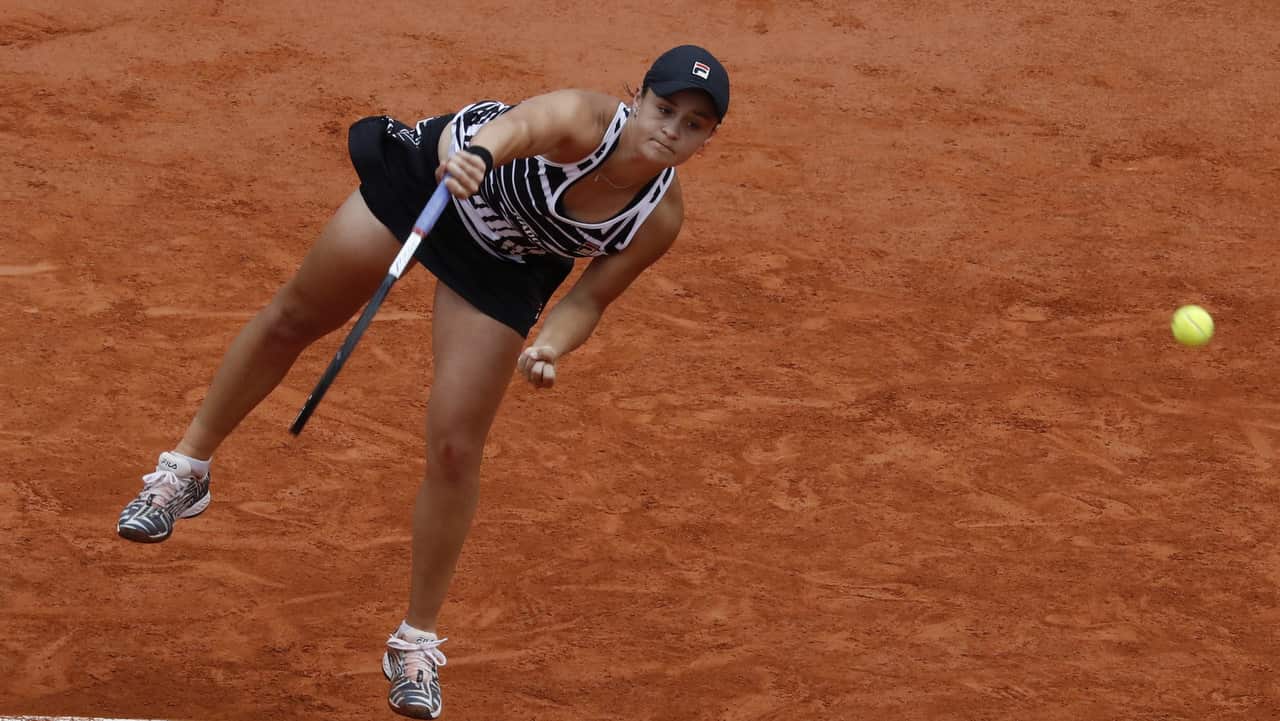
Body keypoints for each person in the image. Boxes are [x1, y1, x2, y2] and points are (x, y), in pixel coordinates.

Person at [115, 44, 730, 719]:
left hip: (506, 260)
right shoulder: (586, 118)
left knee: (455, 449)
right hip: (440, 184)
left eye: (693, 124)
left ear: (707, 139)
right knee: (296, 315)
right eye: (665, 108)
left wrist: (549, 345)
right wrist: (477, 155)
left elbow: (588, 299)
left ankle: (415, 642)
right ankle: (186, 469)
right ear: (638, 97)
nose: (671, 128)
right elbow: (520, 127)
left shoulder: (658, 218)